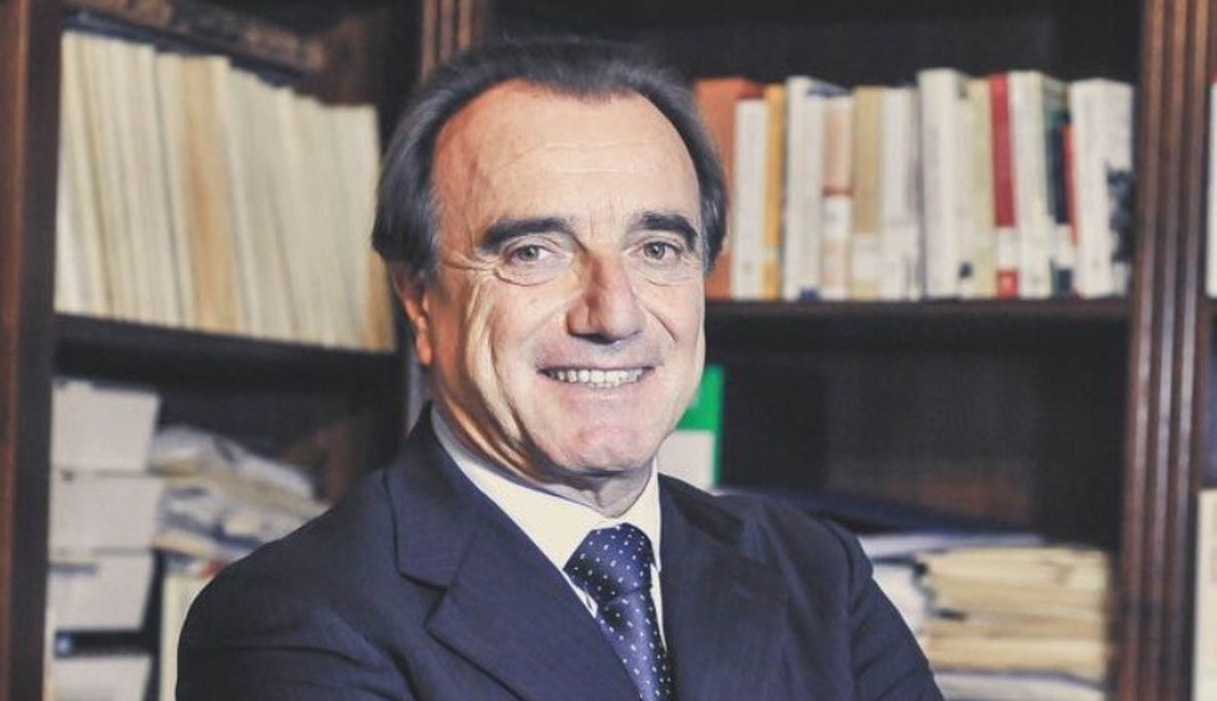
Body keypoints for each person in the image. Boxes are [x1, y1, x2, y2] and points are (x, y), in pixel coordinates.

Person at [177, 38, 943, 701]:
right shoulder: (296, 615)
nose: (614, 313)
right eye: (534, 251)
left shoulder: (815, 572)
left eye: (658, 249)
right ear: (419, 301)